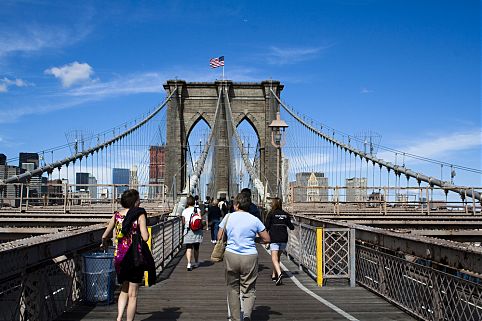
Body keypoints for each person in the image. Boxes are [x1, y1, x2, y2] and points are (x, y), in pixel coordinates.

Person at [218, 192, 270, 321]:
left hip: (231, 255)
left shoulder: (228, 217)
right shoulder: (254, 219)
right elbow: (267, 238)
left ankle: (236, 318)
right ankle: (246, 315)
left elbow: (219, 237)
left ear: (236, 205)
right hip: (249, 256)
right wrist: (254, 239)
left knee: (233, 288)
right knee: (249, 288)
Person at [101, 189, 149, 321]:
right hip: (134, 257)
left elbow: (105, 234)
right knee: (133, 295)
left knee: (124, 288)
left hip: (119, 257)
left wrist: (104, 242)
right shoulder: (139, 215)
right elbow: (145, 237)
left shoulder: (117, 215)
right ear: (135, 202)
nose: (140, 201)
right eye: (139, 199)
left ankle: (118, 318)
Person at [265, 197, 294, 285]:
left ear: (273, 204)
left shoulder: (271, 213)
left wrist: (265, 239)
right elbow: (292, 227)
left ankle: (279, 273)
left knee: (274, 257)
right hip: (283, 238)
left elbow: (266, 226)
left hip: (274, 238)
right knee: (278, 257)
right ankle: (274, 275)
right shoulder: (285, 214)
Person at [182, 195, 203, 271]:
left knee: (189, 247)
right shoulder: (197, 210)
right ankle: (196, 262)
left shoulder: (184, 211)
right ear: (194, 202)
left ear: (187, 203)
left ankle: (189, 264)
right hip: (197, 230)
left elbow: (183, 222)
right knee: (196, 248)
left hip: (188, 230)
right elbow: (200, 219)